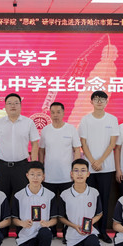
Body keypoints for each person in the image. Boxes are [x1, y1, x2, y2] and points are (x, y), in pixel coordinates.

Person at [0, 93, 40, 234]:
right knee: (2, 198)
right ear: (5, 106)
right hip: (2, 166)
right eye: (10, 103)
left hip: (22, 166)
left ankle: (22, 230)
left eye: (16, 103)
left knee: (22, 199)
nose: (13, 106)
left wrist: (33, 165)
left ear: (20, 105)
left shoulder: (28, 122)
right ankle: (2, 230)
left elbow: (35, 144)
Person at [78, 90, 119, 243]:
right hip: (89, 169)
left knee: (104, 199)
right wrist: (92, 161)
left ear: (107, 102)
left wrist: (100, 161)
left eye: (102, 99)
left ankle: (102, 231)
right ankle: (89, 230)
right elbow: (83, 143)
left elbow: (112, 144)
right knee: (88, 200)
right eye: (96, 99)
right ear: (91, 102)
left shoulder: (112, 119)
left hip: (106, 167)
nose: (99, 101)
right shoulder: (86, 120)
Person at [38, 101, 81, 238]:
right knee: (49, 206)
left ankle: (67, 232)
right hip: (49, 176)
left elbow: (77, 150)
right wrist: (41, 170)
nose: (55, 115)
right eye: (53, 112)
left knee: (68, 206)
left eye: (58, 112)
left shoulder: (71, 129)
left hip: (67, 176)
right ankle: (50, 231)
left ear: (63, 113)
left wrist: (75, 171)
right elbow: (41, 151)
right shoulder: (46, 130)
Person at [11, 161, 57, 246]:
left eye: (38, 175)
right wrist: (22, 223)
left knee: (46, 233)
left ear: (43, 176)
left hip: (42, 233)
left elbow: (55, 219)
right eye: (32, 174)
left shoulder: (50, 195)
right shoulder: (19, 195)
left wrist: (48, 223)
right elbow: (14, 219)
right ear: (27, 175)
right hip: (26, 234)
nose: (35, 178)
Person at [58, 159, 102, 246]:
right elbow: (61, 217)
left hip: (89, 232)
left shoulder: (94, 193)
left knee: (94, 243)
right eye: (76, 170)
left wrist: (91, 222)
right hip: (73, 233)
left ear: (88, 173)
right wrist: (74, 226)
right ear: (71, 174)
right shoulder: (65, 194)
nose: (79, 174)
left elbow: (99, 214)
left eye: (83, 170)